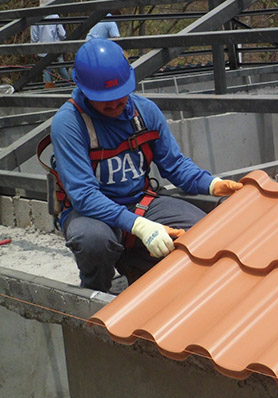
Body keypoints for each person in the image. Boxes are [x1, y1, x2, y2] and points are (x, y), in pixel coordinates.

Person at [50, 38, 243, 293]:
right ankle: (96, 294)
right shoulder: (69, 124)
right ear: (84, 90)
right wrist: (139, 226)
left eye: (119, 96)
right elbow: (84, 196)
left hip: (140, 201)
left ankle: (137, 267)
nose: (114, 104)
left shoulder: (145, 112)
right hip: (91, 214)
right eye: (104, 99)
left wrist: (213, 184)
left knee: (202, 230)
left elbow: (174, 165)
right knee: (93, 242)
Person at [30, 6, 71, 88]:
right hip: (56, 48)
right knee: (61, 68)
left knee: (46, 71)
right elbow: (62, 33)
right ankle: (68, 86)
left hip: (42, 49)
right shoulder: (55, 16)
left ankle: (49, 90)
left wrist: (33, 49)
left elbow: (34, 37)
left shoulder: (35, 18)